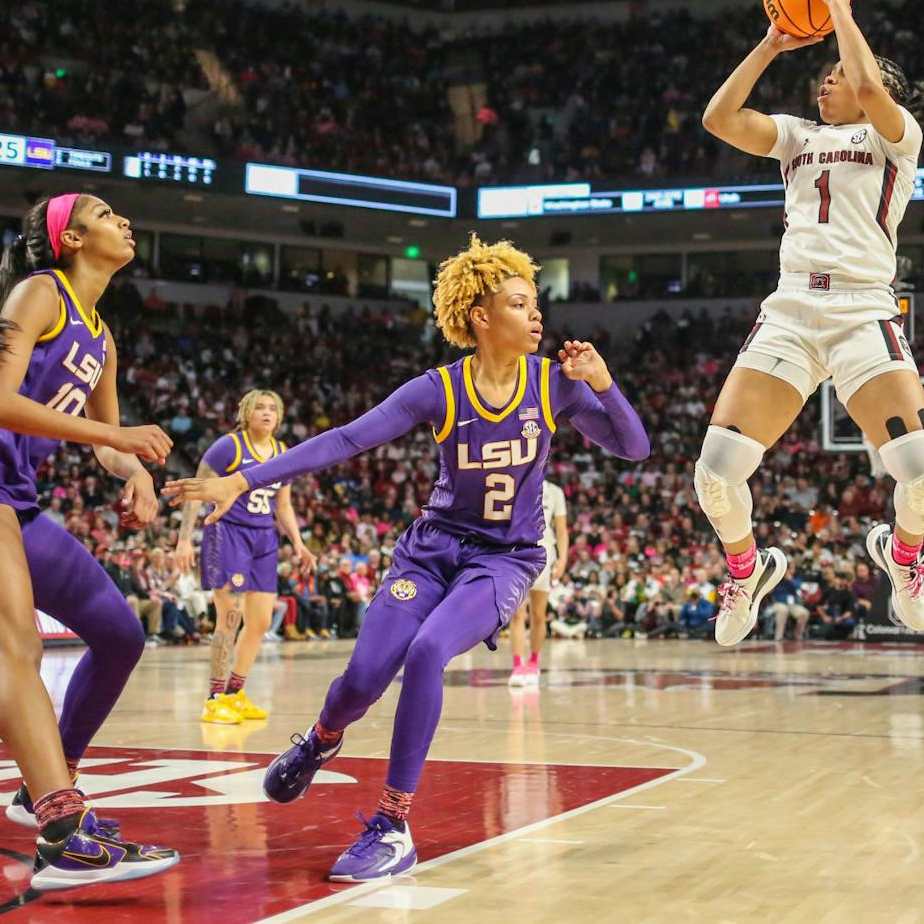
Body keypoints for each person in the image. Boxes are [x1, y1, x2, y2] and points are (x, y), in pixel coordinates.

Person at [163, 236, 648, 882]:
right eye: (520, 303)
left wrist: (607, 384)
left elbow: (634, 446)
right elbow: (346, 438)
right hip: (431, 550)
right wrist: (244, 479)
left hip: (503, 559)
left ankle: (392, 824)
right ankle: (321, 738)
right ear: (480, 315)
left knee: (427, 652)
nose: (537, 316)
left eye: (536, 303)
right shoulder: (438, 389)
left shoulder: (555, 382)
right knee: (362, 680)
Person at [696, 0, 924, 646]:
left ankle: (905, 556)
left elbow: (865, 75)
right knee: (714, 474)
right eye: (824, 75)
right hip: (792, 311)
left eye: (836, 75)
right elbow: (719, 117)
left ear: (875, 92)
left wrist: (838, 7)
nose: (827, 81)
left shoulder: (897, 139)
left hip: (864, 311)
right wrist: (772, 41)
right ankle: (748, 568)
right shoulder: (798, 137)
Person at [0, 194, 178, 890]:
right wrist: (116, 437)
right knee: (15, 643)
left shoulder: (102, 335)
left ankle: (46, 785)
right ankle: (62, 831)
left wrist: (132, 467)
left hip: (10, 495)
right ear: (73, 237)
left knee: (120, 634)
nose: (126, 220)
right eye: (109, 213)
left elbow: (105, 439)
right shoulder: (39, 291)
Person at [178, 389, 316, 725]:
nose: (267, 413)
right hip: (227, 533)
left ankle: (235, 693)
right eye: (260, 408)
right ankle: (214, 699)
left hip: (264, 539)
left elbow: (282, 505)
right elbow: (197, 491)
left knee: (261, 622)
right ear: (246, 413)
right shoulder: (228, 446)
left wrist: (297, 542)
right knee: (230, 615)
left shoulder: (283, 452)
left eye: (273, 408)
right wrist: (184, 540)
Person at [508, 478, 568, 687]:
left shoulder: (555, 491)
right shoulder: (515, 484)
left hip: (545, 553)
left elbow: (561, 530)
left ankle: (533, 662)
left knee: (538, 614)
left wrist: (562, 559)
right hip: (518, 551)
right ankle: (517, 666)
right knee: (516, 613)